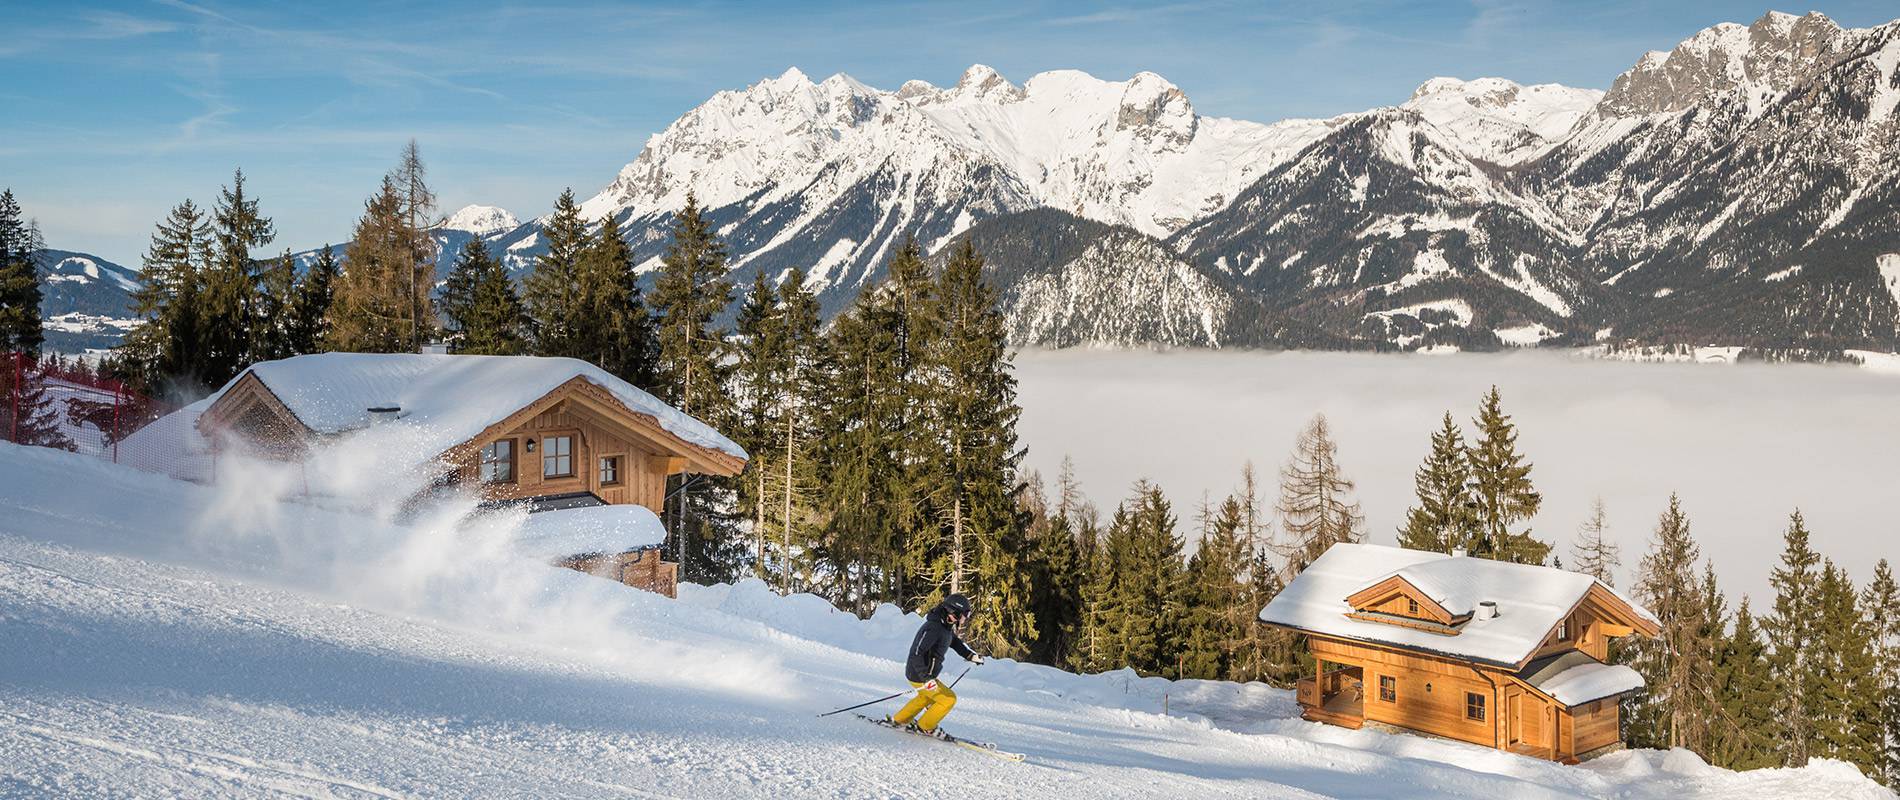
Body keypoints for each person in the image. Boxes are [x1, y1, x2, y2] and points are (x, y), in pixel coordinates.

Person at [889, 593, 983, 737]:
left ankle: (899, 720)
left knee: (925, 698)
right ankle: (925, 726)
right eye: (963, 616)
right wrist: (926, 678)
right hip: (919, 674)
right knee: (948, 699)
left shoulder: (945, 626)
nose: (964, 620)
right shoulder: (933, 627)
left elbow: (954, 642)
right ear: (953, 612)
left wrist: (970, 655)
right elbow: (916, 653)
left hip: (925, 674)